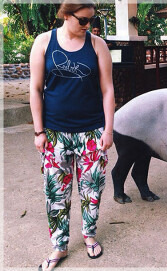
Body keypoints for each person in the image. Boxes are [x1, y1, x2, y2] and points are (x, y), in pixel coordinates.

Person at [29, 0, 114, 270]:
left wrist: (108, 130)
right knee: (56, 193)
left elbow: (108, 90)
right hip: (54, 133)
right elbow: (35, 89)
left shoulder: (97, 45)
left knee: (91, 190)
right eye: (83, 20)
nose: (89, 25)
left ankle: (89, 236)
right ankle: (59, 245)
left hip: (91, 132)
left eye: (91, 20)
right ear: (66, 15)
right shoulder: (43, 43)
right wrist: (38, 131)